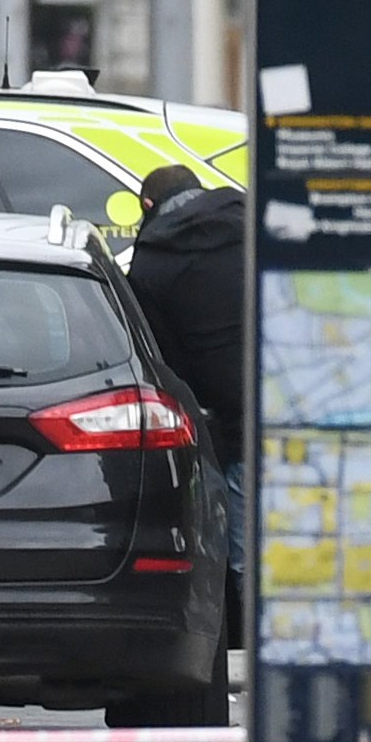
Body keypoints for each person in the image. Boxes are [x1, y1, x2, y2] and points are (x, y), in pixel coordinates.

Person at [126, 164, 247, 584]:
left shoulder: (149, 265)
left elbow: (165, 362)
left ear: (147, 206)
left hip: (232, 424)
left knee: (244, 562)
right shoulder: (252, 219)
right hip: (302, 403)